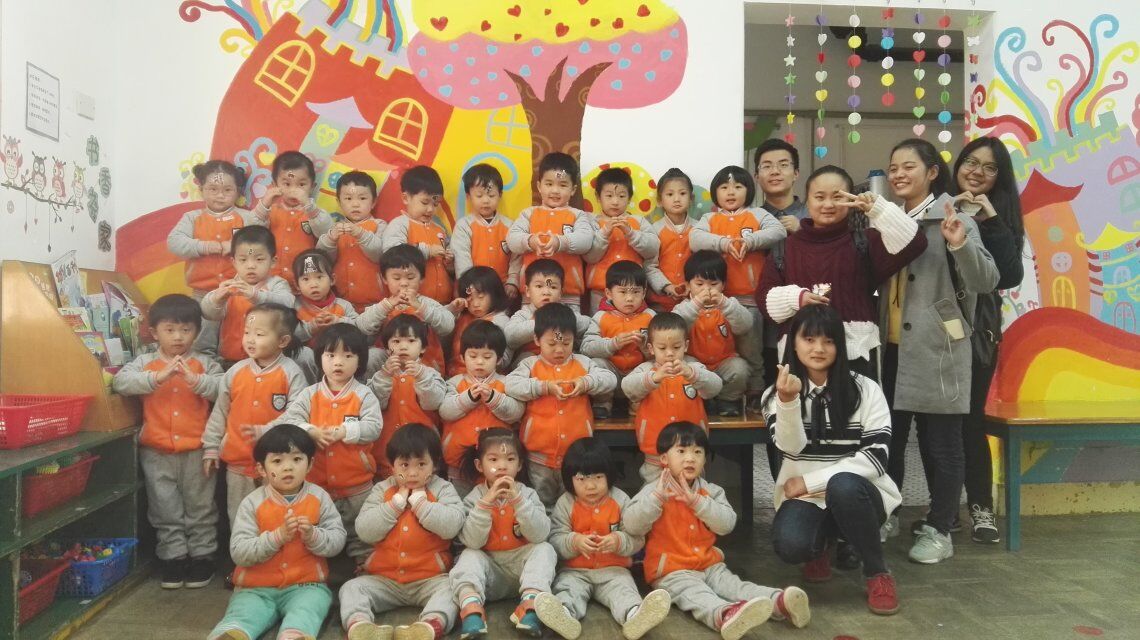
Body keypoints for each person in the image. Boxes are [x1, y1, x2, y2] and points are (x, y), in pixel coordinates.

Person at [876, 138, 999, 564]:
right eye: (893, 167)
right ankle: (887, 514)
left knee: (944, 445)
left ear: (932, 172)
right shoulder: (887, 220)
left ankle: (941, 528)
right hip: (890, 349)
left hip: (940, 348)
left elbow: (986, 281)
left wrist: (960, 245)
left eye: (908, 166)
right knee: (887, 441)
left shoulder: (955, 216)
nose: (898, 174)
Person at [764, 305, 901, 616]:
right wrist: (787, 402)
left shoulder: (867, 390)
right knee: (790, 545)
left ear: (841, 345)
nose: (819, 349)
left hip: (860, 494)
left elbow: (876, 458)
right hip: (807, 498)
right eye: (809, 339)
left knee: (843, 486)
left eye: (828, 341)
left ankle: (877, 572)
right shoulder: (777, 393)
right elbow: (791, 448)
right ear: (793, 343)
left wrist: (809, 481)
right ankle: (819, 546)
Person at [622, 422, 810, 639]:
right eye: (681, 451)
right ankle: (725, 615)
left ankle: (780, 602)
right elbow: (631, 525)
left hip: (709, 564)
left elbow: (727, 524)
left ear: (704, 460)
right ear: (664, 459)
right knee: (697, 595)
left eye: (697, 452)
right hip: (671, 571)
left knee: (735, 586)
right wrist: (656, 500)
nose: (690, 458)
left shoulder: (711, 491)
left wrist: (697, 503)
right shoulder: (653, 491)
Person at [758, 165, 927, 375]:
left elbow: (915, 243)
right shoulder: (786, 247)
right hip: (799, 354)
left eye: (838, 197)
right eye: (819, 197)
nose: (828, 204)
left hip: (856, 352)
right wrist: (796, 298)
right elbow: (764, 299)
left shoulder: (866, 241)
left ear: (851, 200)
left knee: (862, 399)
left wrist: (878, 208)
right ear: (807, 201)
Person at [113, 293, 224, 589]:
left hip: (198, 450)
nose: (178, 337)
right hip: (156, 451)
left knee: (201, 507)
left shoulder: (204, 363)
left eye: (186, 330)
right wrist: (157, 378)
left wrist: (195, 381)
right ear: (154, 332)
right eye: (170, 330)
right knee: (164, 507)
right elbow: (121, 382)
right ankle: (173, 557)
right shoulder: (146, 362)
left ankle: (202, 556)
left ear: (196, 332)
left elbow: (222, 389)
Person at [945, 136, 1025, 544]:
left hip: (978, 333)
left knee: (971, 422)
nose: (977, 172)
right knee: (938, 427)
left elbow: (1009, 276)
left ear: (999, 177)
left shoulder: (1000, 218)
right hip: (934, 329)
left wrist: (989, 217)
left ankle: (980, 506)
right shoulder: (938, 206)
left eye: (989, 167)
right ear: (958, 164)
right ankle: (944, 508)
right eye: (971, 162)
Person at [208, 424, 346, 640]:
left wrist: (314, 535)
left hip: (306, 585)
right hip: (255, 588)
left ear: (310, 464)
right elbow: (239, 552)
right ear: (262, 469)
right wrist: (276, 538)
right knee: (243, 614)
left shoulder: (319, 497)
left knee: (310, 607)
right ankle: (232, 634)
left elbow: (337, 540)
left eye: (297, 459)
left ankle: (294, 635)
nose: (288, 467)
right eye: (277, 461)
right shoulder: (251, 503)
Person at [533, 438, 672, 640]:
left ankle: (634, 616)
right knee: (566, 590)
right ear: (569, 480)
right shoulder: (565, 503)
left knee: (624, 591)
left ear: (609, 475)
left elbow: (637, 539)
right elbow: (554, 539)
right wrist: (574, 541)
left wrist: (618, 541)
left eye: (598, 477)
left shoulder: (621, 500)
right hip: (574, 571)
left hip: (614, 570)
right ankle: (564, 616)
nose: (590, 486)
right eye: (581, 479)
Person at [339, 424, 465, 640]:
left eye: (421, 464)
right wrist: (394, 505)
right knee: (351, 588)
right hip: (384, 579)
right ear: (392, 465)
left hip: (430, 579)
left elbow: (453, 526)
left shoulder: (442, 488)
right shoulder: (382, 490)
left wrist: (421, 505)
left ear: (435, 464)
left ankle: (429, 626)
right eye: (404, 465)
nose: (413, 472)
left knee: (452, 588)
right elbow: (364, 530)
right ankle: (360, 627)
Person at [270, 323, 381, 563]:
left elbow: (374, 427)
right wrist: (310, 431)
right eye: (330, 355)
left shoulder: (364, 394)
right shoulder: (310, 394)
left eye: (348, 356)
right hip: (316, 484)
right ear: (320, 357)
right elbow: (290, 420)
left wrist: (345, 431)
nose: (338, 362)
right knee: (318, 531)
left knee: (361, 534)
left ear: (360, 361)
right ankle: (319, 568)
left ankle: (363, 566)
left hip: (357, 484)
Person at [689, 166, 786, 412]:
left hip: (749, 299)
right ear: (715, 192)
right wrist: (725, 243)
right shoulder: (709, 218)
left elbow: (779, 231)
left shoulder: (758, 214)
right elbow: (695, 239)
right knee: (716, 347)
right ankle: (716, 394)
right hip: (715, 299)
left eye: (738, 187)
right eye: (724, 187)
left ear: (749, 190)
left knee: (751, 348)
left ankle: (755, 390)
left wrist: (750, 241)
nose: (730, 192)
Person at [202, 303, 308, 527]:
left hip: (277, 463)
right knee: (240, 517)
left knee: (276, 517)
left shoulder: (291, 373)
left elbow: (298, 414)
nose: (250, 340)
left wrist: (266, 430)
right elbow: (220, 411)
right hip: (238, 460)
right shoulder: (235, 372)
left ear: (283, 341)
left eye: (259, 334)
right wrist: (211, 446)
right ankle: (243, 549)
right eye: (247, 332)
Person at [505, 303, 618, 507]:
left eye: (566, 343)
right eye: (552, 343)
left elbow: (609, 379)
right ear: (536, 340)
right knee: (542, 501)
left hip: (576, 454)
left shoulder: (583, 363)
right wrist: (544, 387)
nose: (559, 349)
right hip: (538, 453)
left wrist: (586, 383)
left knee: (573, 503)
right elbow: (511, 385)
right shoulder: (530, 364)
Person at [448, 428, 558, 638]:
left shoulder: (528, 494)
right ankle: (472, 611)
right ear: (480, 465)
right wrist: (485, 504)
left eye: (510, 459)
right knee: (469, 555)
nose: (502, 466)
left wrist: (518, 501)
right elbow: (473, 541)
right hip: (490, 576)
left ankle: (530, 607)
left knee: (545, 549)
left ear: (520, 465)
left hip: (524, 575)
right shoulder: (474, 498)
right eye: (493, 459)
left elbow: (540, 535)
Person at [166, 160, 255, 356]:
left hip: (238, 293)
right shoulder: (192, 217)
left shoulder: (247, 218)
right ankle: (206, 370)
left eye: (227, 190)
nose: (220, 195)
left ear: (238, 191)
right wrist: (205, 246)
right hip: (202, 294)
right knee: (202, 343)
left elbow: (260, 245)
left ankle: (234, 368)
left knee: (238, 339)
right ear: (201, 190)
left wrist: (236, 246)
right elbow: (174, 242)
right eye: (213, 189)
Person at [621, 312, 722, 482]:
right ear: (651, 348)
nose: (669, 353)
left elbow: (715, 387)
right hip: (655, 453)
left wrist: (692, 374)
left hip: (691, 452)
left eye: (676, 347)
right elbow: (627, 388)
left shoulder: (694, 368)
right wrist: (654, 378)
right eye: (662, 348)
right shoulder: (646, 370)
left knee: (693, 492)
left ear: (686, 346)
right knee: (653, 493)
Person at [440, 321, 525, 497]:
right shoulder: (454, 383)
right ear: (462, 357)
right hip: (457, 461)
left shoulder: (507, 383)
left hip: (497, 464)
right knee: (461, 505)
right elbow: (445, 411)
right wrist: (468, 398)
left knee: (492, 505)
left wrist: (493, 398)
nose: (479, 362)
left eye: (487, 357)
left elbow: (516, 412)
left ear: (499, 359)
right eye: (473, 356)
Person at [507, 152, 595, 313]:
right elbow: (512, 239)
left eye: (562, 185)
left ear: (573, 189)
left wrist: (561, 242)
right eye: (549, 184)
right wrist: (530, 241)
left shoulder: (578, 215)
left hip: (568, 291)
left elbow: (586, 240)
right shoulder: (528, 214)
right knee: (531, 326)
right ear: (539, 186)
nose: (555, 190)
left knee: (566, 326)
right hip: (533, 292)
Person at [199, 225, 296, 365]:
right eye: (243, 260)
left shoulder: (277, 284)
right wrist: (216, 300)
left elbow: (288, 304)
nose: (251, 266)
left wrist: (256, 295)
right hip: (230, 361)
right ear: (234, 262)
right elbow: (208, 313)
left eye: (259, 259)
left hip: (268, 361)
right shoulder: (229, 287)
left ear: (273, 261)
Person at [673, 250, 752, 416]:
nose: (707, 289)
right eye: (699, 284)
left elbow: (745, 325)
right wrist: (696, 304)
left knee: (740, 369)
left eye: (713, 283)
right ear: (688, 285)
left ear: (723, 285)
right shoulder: (684, 307)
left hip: (724, 361)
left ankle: (728, 400)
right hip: (695, 363)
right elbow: (674, 327)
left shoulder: (729, 305)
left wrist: (724, 303)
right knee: (684, 367)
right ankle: (702, 400)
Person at [357, 244, 455, 375]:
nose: (403, 283)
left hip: (425, 366)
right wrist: (386, 306)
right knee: (371, 356)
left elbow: (448, 326)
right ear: (385, 279)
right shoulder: (384, 305)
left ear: (422, 278)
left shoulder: (426, 303)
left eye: (410, 277)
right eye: (396, 278)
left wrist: (420, 307)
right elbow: (362, 327)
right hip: (390, 367)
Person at [369, 315, 446, 479]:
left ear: (423, 348)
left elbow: (434, 403)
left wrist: (421, 377)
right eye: (396, 341)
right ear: (387, 348)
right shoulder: (381, 375)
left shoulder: (431, 374)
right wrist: (384, 376)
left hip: (423, 446)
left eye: (411, 341)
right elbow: (376, 404)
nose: (403, 347)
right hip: (386, 450)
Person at [250, 151, 334, 288]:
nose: (294, 190)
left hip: (305, 283)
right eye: (287, 184)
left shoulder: (314, 213)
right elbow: (251, 233)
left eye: (301, 185)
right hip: (270, 282)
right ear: (275, 185)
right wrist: (264, 204)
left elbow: (327, 233)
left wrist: (309, 206)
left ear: (312, 187)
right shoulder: (269, 210)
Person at [503, 259, 607, 368]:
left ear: (561, 293)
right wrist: (545, 322)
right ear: (528, 291)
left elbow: (588, 324)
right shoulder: (523, 314)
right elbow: (510, 337)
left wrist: (563, 319)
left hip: (564, 359)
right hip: (533, 362)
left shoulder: (566, 312)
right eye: (539, 286)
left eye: (553, 287)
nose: (546, 292)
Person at [583, 167, 660, 313]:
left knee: (635, 324)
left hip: (633, 292)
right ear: (598, 197)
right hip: (600, 290)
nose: (615, 201)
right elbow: (590, 256)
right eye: (609, 196)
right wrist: (604, 233)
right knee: (601, 324)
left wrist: (631, 233)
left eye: (621, 196)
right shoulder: (591, 222)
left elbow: (653, 248)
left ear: (629, 198)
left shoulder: (638, 221)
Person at [589, 260, 655, 419]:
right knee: (597, 363)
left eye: (636, 292)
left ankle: (637, 402)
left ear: (644, 293)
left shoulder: (651, 317)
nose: (630, 298)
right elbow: (587, 347)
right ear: (609, 293)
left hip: (636, 375)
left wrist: (645, 349)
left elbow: (660, 351)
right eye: (623, 292)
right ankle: (602, 402)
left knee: (652, 366)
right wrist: (613, 344)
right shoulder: (600, 317)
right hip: (612, 374)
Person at [381, 166, 454, 305]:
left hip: (442, 304)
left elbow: (449, 270)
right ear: (406, 198)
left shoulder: (440, 229)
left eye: (435, 204)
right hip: (410, 303)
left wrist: (449, 263)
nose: (430, 209)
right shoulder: (399, 224)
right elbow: (392, 256)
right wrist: (427, 251)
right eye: (424, 202)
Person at [316, 170, 386, 312]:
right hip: (340, 304)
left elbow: (379, 254)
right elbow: (322, 260)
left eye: (362, 198)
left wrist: (360, 234)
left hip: (374, 304)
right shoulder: (335, 228)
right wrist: (330, 239)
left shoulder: (379, 225)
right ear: (339, 202)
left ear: (373, 202)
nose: (355, 204)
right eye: (348, 198)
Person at [451, 163, 521, 303]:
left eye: (491, 195)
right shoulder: (464, 226)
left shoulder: (510, 226)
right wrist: (471, 285)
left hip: (502, 291)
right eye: (479, 195)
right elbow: (461, 258)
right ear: (468, 197)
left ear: (500, 195)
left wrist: (512, 281)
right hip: (473, 293)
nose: (486, 200)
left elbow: (517, 258)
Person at [291, 249, 359, 383]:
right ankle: (310, 390)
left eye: (319, 277)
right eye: (305, 279)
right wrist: (311, 328)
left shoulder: (343, 305)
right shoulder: (294, 306)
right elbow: (289, 336)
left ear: (332, 279)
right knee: (303, 354)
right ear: (297, 285)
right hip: (310, 359)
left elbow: (358, 330)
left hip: (340, 357)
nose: (313, 284)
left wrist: (338, 321)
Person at [644, 168, 696, 312]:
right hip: (659, 303)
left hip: (692, 301)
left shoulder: (699, 229)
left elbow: (702, 264)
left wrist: (692, 285)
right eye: (670, 194)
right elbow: (649, 266)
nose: (677, 199)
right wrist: (667, 287)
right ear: (659, 201)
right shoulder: (653, 230)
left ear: (691, 198)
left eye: (682, 193)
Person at [447, 266, 512, 377]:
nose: (475, 304)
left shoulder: (500, 321)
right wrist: (452, 310)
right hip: (454, 377)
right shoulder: (462, 315)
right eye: (470, 298)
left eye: (481, 297)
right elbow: (440, 324)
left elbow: (504, 359)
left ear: (494, 294)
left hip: (484, 380)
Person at [753, 139, 807, 231]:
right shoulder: (750, 218)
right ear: (757, 177)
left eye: (783, 165)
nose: (775, 171)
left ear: (796, 173)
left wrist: (803, 231)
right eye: (767, 166)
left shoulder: (814, 216)